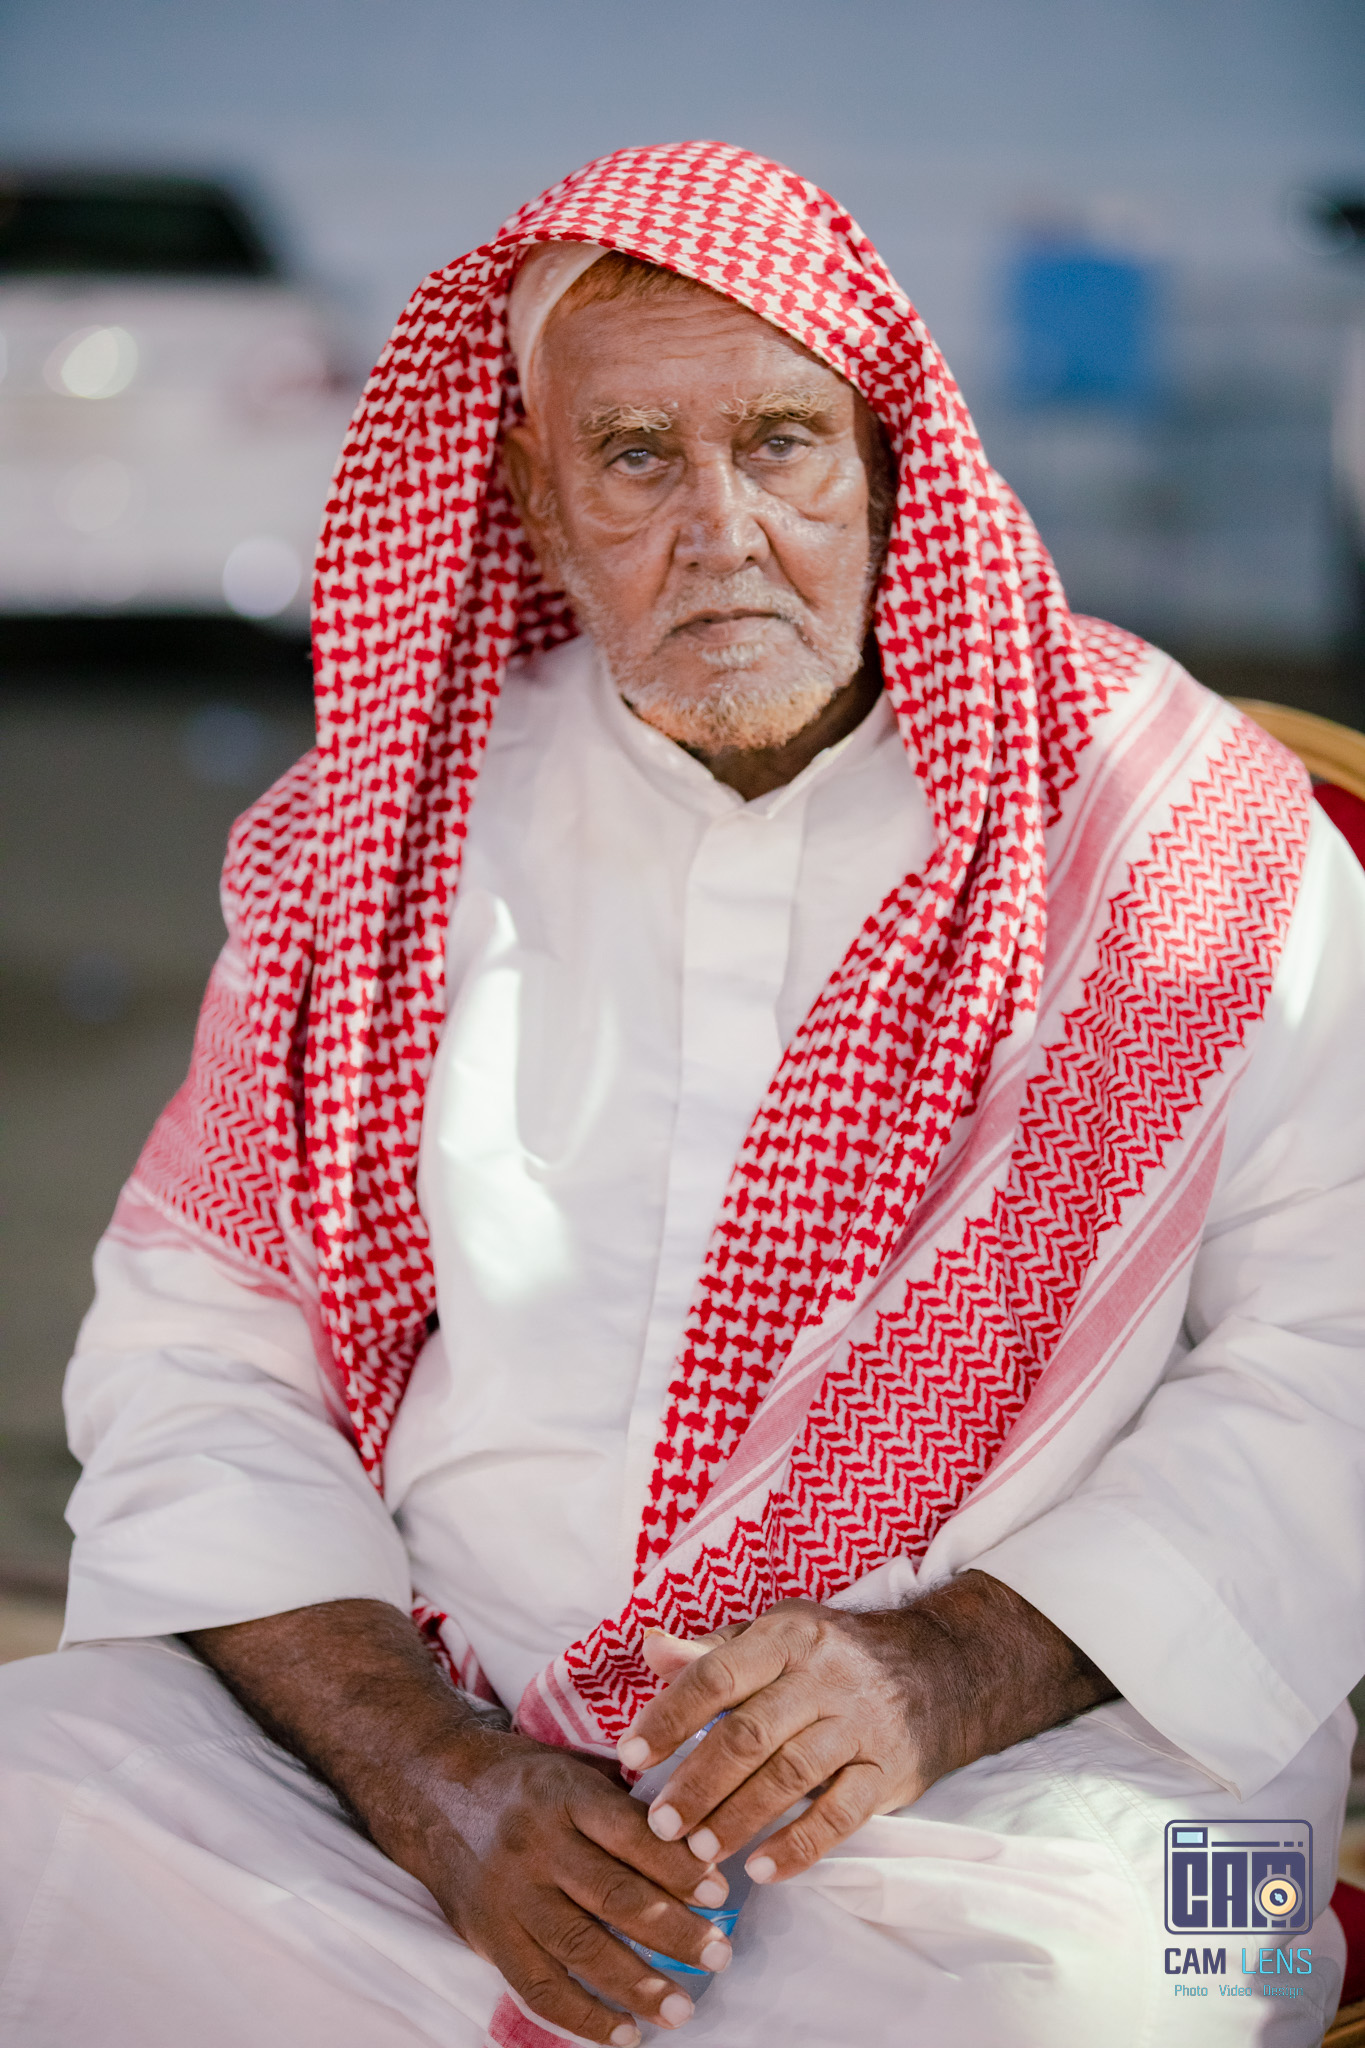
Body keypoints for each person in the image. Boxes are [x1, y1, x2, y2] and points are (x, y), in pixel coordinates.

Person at [2, 141, 1363, 2048]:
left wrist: (951, 1670)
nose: (719, 529)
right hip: (427, 1746)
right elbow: (199, 1352)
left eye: (782, 443)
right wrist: (426, 1775)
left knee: (1102, 2001)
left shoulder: (1185, 834)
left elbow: (1334, 1346)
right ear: (532, 506)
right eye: (635, 457)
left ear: (885, 463)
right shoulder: (374, 844)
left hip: (1034, 1756)